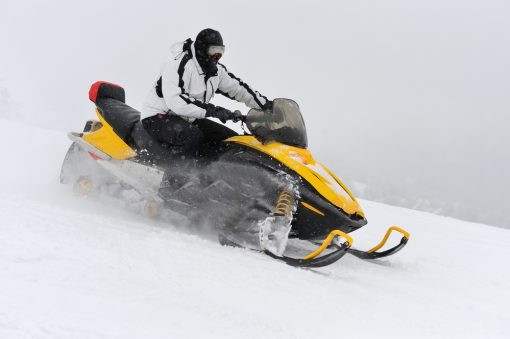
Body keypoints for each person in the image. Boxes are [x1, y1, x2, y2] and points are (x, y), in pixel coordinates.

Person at [141, 28, 272, 157]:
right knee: (191, 137)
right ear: (202, 49)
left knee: (231, 139)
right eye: (214, 50)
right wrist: (213, 111)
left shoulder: (216, 71)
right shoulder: (180, 65)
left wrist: (266, 106)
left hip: (188, 117)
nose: (217, 55)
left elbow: (239, 89)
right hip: (158, 116)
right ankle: (175, 177)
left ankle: (214, 175)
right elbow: (177, 101)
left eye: (221, 51)